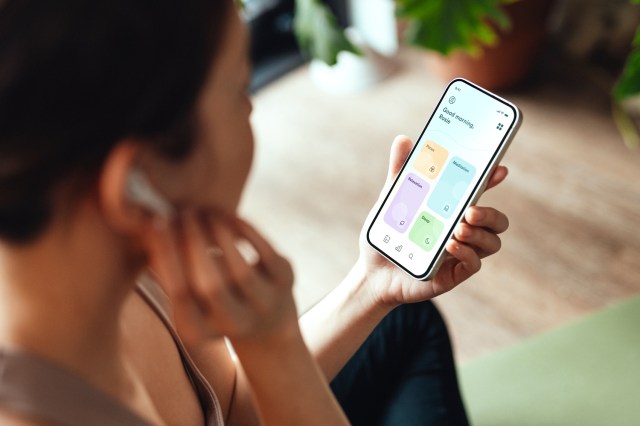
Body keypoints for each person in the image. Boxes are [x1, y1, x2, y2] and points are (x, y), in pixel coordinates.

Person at [0, 1, 509, 425]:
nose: (251, 112)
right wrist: (277, 347)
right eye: (241, 90)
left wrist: (369, 285)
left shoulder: (109, 245)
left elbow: (230, 408)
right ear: (138, 179)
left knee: (406, 321)